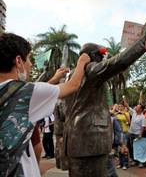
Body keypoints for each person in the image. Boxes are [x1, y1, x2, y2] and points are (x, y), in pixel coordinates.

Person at [62, 19, 146, 177]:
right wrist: (141, 41)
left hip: (76, 141)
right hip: (91, 141)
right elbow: (118, 63)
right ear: (92, 57)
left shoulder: (71, 78)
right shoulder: (90, 70)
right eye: (101, 55)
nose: (104, 59)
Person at [0, 33, 90, 177]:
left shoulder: (21, 94)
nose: (30, 64)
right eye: (28, 58)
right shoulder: (26, 92)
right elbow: (73, 86)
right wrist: (82, 62)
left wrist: (54, 78)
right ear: (18, 61)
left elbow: (30, 99)